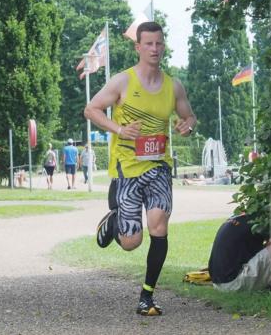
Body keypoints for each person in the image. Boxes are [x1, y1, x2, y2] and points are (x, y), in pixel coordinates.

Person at [84, 21, 197, 316]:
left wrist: (187, 126)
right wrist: (120, 130)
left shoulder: (174, 86)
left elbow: (189, 117)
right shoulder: (123, 81)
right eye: (148, 44)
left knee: (159, 227)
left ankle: (147, 296)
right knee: (131, 242)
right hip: (127, 169)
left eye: (159, 43)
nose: (154, 49)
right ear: (138, 47)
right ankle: (115, 220)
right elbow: (91, 109)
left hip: (159, 167)